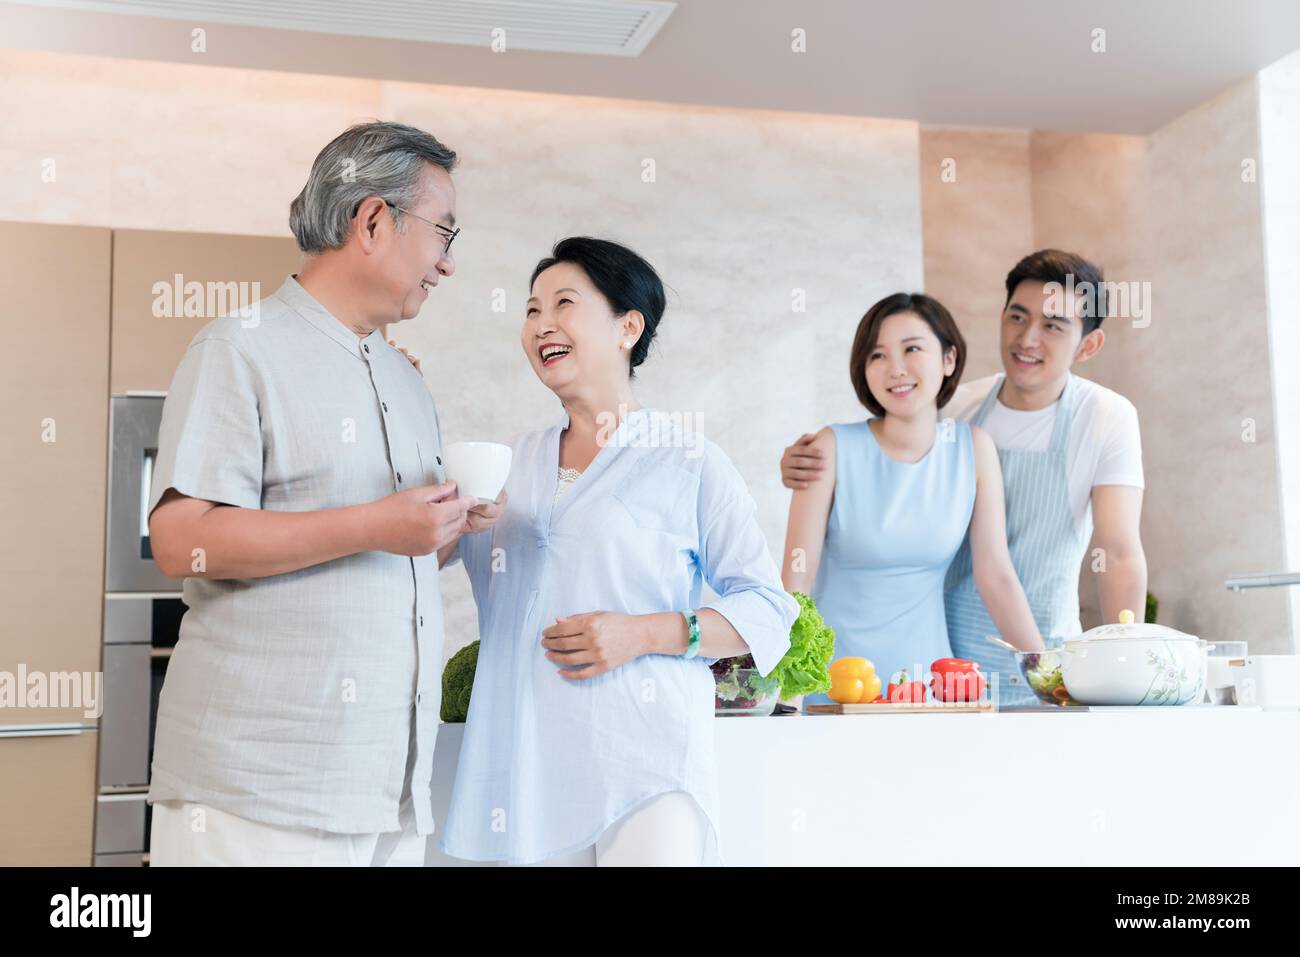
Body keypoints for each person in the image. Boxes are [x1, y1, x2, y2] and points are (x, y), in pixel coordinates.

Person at [145, 121, 504, 865]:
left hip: (386, 788)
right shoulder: (240, 347)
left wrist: (441, 531)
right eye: (444, 231)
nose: (449, 263)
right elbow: (183, 540)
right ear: (372, 220)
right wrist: (376, 523)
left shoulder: (407, 380)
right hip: (261, 788)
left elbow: (386, 553)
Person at [439, 237, 797, 866]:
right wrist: (450, 524)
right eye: (530, 310)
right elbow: (407, 561)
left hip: (644, 769)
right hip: (524, 772)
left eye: (564, 303)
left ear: (628, 326)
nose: (541, 324)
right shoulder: (503, 463)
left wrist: (645, 633)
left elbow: (769, 609)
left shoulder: (688, 461)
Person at [781, 251, 1146, 703]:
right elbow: (798, 577)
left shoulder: (1101, 418)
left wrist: (1120, 673)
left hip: (1015, 655)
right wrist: (803, 463)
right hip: (934, 666)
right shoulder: (959, 407)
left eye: (1053, 325)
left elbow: (1114, 552)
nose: (1028, 338)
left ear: (1087, 345)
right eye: (1018, 316)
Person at [781, 293, 1041, 706]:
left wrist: (1045, 673)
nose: (895, 369)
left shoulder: (974, 449)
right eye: (877, 355)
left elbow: (996, 576)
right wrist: (781, 690)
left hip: (931, 688)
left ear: (949, 359)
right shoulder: (830, 447)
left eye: (912, 349)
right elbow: (796, 582)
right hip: (837, 689)